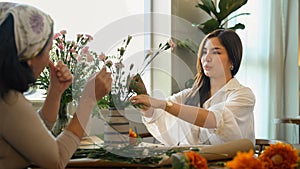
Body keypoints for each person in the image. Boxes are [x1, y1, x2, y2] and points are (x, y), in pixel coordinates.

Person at [0, 2, 112, 169]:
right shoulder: (8, 100)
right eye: (48, 51)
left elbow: (34, 139)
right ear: (30, 56)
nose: (48, 60)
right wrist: (88, 100)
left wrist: (55, 91)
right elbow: (56, 160)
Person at [130, 29, 255, 146]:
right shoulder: (190, 94)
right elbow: (160, 115)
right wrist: (145, 101)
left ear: (232, 60)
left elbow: (213, 119)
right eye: (204, 52)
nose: (207, 58)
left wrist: (162, 103)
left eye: (216, 52)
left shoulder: (243, 95)